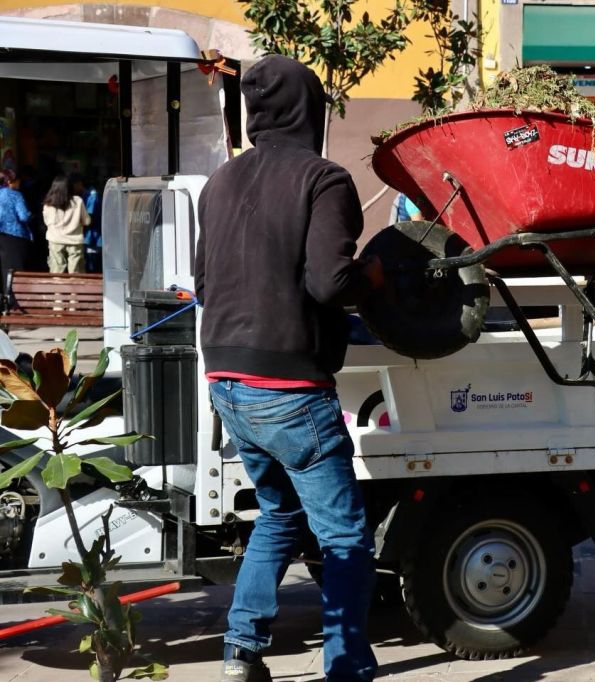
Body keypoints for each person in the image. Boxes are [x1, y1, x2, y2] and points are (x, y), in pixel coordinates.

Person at [195, 55, 384, 682]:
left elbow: (202, 280)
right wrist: (374, 278)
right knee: (346, 538)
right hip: (290, 388)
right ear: (311, 111)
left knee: (278, 514)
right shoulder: (322, 179)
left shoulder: (219, 183)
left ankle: (240, 653)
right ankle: (348, 667)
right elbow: (331, 283)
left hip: (224, 380)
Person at [42, 174, 90, 273]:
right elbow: (87, 221)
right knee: (76, 273)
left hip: (55, 240)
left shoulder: (48, 203)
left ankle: (58, 288)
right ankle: (74, 288)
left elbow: (47, 222)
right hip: (75, 241)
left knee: (56, 271)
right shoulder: (78, 201)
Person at [0, 169, 33, 307]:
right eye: (17, 180)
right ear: (10, 181)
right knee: (16, 271)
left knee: (3, 270)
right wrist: (31, 214)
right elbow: (24, 216)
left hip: (1, 236)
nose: (19, 183)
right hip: (15, 236)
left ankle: (3, 304)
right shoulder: (15, 195)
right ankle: (17, 304)